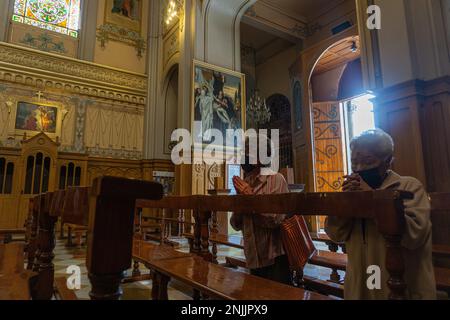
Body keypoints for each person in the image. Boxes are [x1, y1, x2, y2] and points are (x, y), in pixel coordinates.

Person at [325, 129, 436, 300]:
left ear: (387, 161)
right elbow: (335, 234)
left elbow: (415, 237)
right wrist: (345, 203)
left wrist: (373, 198)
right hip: (362, 282)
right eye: (354, 162)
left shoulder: (409, 187)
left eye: (368, 162)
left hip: (400, 286)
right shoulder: (353, 191)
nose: (359, 168)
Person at [230, 136, 291, 285]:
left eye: (246, 153)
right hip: (252, 257)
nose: (243, 157)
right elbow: (235, 224)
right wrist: (240, 203)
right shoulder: (246, 182)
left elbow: (275, 219)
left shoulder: (276, 179)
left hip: (274, 259)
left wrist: (250, 198)